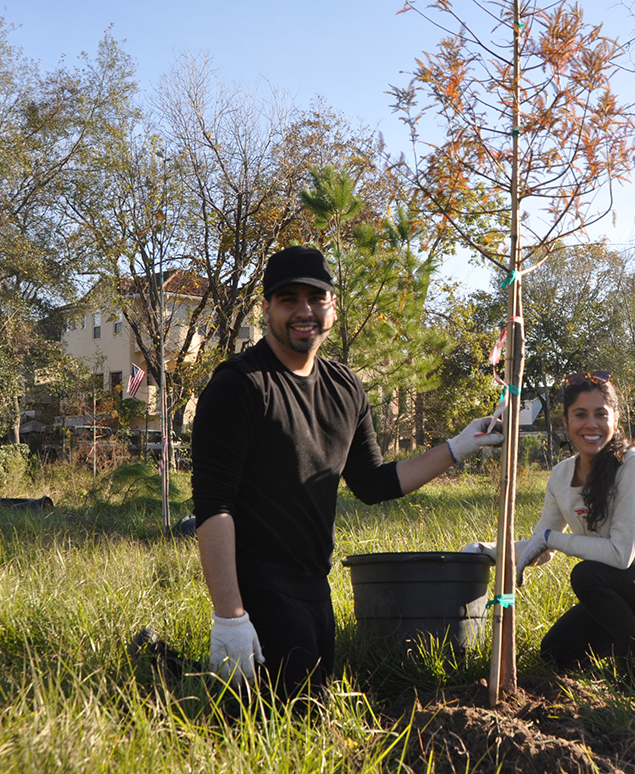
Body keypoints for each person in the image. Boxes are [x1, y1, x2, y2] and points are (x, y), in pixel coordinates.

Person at [190, 245, 502, 700]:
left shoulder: (345, 387)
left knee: (313, 697)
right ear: (266, 309)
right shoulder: (240, 386)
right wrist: (230, 617)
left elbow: (373, 483)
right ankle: (179, 673)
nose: (304, 311)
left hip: (315, 584)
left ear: (333, 307)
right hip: (258, 583)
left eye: (316, 298)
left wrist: (456, 447)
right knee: (294, 717)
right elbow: (213, 507)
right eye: (288, 299)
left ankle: (174, 666)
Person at [513, 370, 635, 690]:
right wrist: (485, 552)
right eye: (580, 414)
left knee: (587, 575)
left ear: (615, 419)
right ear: (566, 421)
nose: (591, 424)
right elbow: (542, 544)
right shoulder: (561, 475)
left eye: (600, 414)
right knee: (556, 652)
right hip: (622, 592)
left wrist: (553, 539)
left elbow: (620, 555)